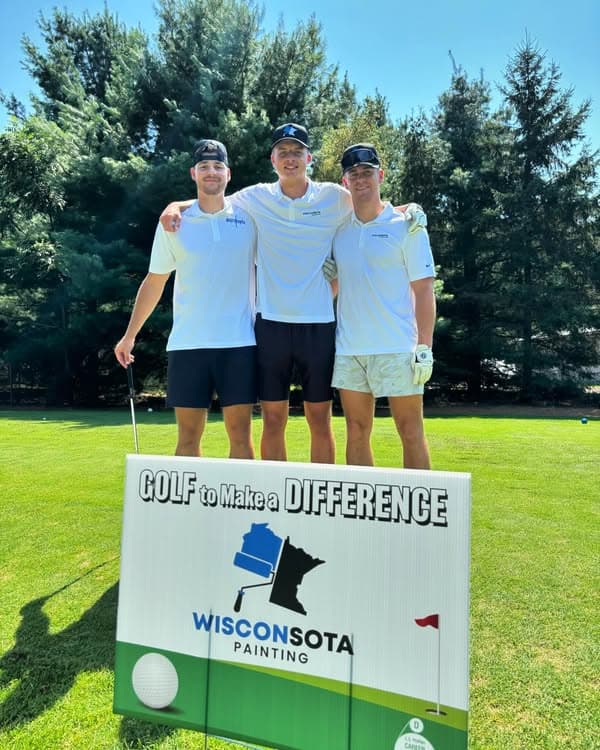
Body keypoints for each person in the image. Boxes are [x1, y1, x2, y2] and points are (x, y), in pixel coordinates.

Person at [159, 124, 426, 464]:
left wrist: (409, 208)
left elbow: (372, 203)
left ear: (308, 158)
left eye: (297, 152)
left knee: (320, 421)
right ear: (273, 160)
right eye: (283, 153)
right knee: (272, 421)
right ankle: (275, 499)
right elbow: (211, 200)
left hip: (320, 327)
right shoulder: (254, 198)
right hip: (271, 327)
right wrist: (174, 206)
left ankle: (321, 501)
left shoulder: (333, 196)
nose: (290, 159)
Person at [114, 139, 257, 458]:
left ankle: (240, 511)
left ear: (228, 174)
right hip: (188, 345)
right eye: (204, 166)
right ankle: (189, 511)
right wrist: (129, 336)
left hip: (239, 344)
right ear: (193, 173)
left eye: (218, 166)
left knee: (241, 439)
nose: (211, 172)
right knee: (188, 440)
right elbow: (155, 281)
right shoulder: (173, 223)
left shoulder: (250, 218)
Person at [331, 143, 435, 469]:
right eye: (353, 174)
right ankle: (362, 518)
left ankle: (422, 515)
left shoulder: (407, 225)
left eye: (367, 172)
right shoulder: (338, 230)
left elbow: (424, 288)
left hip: (397, 347)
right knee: (356, 431)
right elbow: (336, 284)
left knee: (410, 430)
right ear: (345, 181)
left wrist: (424, 347)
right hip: (350, 350)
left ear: (381, 175)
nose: (361, 179)